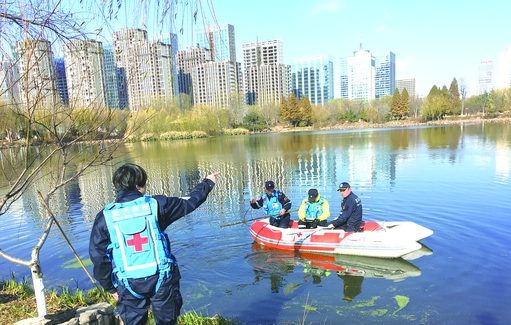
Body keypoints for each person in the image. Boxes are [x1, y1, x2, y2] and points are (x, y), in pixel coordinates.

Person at [89, 163, 219, 325]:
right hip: (162, 279)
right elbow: (190, 201)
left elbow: (98, 255)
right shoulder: (158, 204)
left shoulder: (105, 216)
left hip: (127, 283)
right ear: (138, 185)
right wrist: (208, 182)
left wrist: (110, 287)